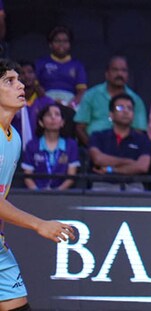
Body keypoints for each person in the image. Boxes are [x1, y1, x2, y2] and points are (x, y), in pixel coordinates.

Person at [0, 59, 78, 309]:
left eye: (19, 80)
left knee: (17, 304)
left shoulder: (14, 138)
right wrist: (39, 224)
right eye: (9, 81)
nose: (20, 85)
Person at [74, 56, 148, 146]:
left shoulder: (136, 100)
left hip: (125, 149)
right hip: (94, 147)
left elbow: (139, 131)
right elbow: (80, 127)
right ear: (107, 74)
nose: (119, 74)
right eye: (115, 70)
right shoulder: (91, 95)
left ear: (128, 75)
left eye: (123, 70)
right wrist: (92, 148)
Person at [87, 94, 150, 191]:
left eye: (129, 108)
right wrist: (128, 162)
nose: (126, 111)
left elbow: (142, 166)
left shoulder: (142, 139)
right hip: (103, 184)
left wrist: (111, 169)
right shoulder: (98, 136)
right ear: (111, 115)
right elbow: (98, 159)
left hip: (133, 186)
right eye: (120, 108)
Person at [21, 104, 79, 190]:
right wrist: (37, 192)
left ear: (62, 122)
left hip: (62, 194)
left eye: (57, 114)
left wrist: (57, 192)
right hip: (36, 194)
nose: (53, 117)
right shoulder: (31, 145)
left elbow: (71, 176)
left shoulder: (71, 145)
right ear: (41, 122)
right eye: (48, 115)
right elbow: (27, 176)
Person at [34, 26, 87, 106]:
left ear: (70, 44)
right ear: (50, 44)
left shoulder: (77, 65)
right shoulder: (41, 63)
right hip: (46, 100)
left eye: (65, 41)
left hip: (70, 102)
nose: (61, 44)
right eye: (57, 41)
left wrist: (72, 104)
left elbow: (81, 91)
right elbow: (35, 85)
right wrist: (48, 100)